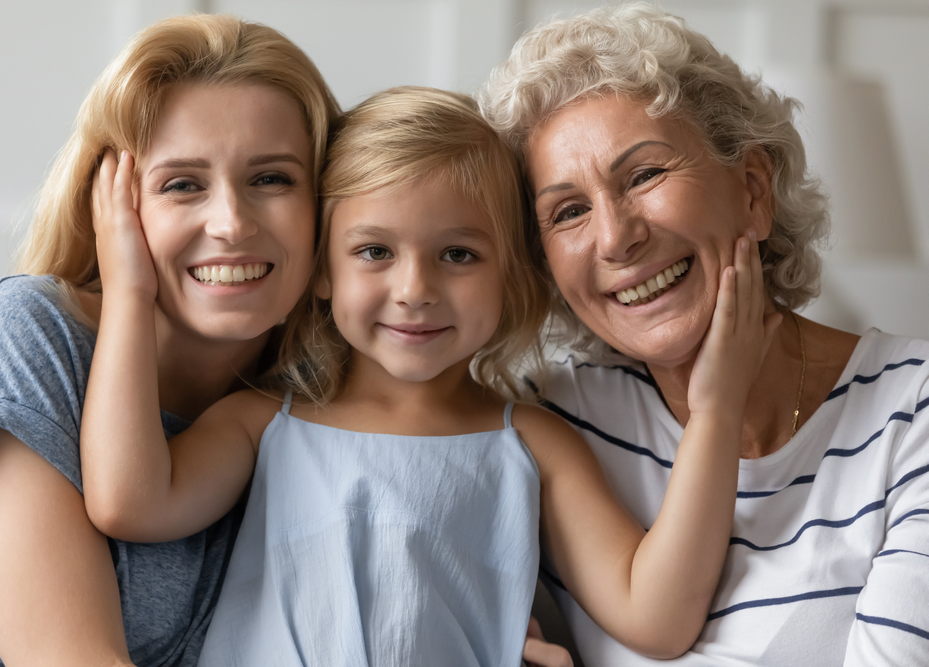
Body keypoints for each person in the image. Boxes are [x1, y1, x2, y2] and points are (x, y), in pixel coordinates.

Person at [80, 85, 779, 666]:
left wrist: (713, 412)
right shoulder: (263, 421)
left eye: (459, 254)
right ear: (323, 268)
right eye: (375, 251)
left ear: (510, 275)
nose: (415, 288)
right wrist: (130, 294)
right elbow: (129, 502)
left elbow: (657, 616)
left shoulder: (532, 442)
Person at [480, 3, 929, 665]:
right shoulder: (544, 423)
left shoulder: (912, 408)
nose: (616, 236)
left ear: (752, 190)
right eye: (567, 211)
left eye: (645, 175)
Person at [0, 15, 338, 666]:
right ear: (112, 203)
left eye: (272, 179)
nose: (231, 223)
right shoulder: (26, 333)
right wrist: (129, 295)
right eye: (183, 184)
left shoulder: (317, 399)